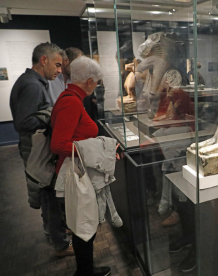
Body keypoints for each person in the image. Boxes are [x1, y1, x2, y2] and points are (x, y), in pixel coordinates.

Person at [9, 42, 74, 257]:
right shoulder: (33, 86)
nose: (59, 70)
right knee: (51, 195)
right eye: (56, 65)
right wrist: (50, 118)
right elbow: (23, 122)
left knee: (48, 194)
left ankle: (53, 231)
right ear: (43, 60)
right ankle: (61, 244)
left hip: (36, 148)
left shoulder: (33, 82)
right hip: (36, 150)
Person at [50, 56, 110, 276]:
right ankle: (84, 272)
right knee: (84, 226)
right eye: (97, 82)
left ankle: (86, 270)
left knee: (84, 225)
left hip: (76, 172)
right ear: (90, 82)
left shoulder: (71, 98)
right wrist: (95, 149)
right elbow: (58, 144)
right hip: (74, 175)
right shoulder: (71, 101)